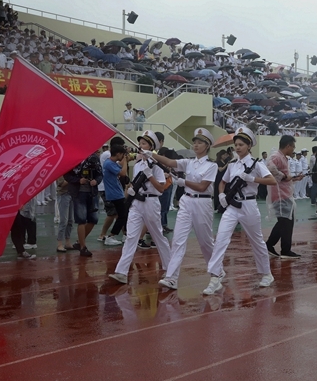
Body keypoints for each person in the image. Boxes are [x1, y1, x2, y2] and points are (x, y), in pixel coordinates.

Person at [203, 126, 276, 294]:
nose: (237, 147)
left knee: (256, 240)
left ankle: (266, 273)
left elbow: (272, 181)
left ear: (249, 146)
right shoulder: (233, 165)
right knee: (221, 238)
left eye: (241, 144)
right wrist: (221, 195)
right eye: (236, 144)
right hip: (232, 206)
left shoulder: (257, 164)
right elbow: (222, 182)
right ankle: (215, 277)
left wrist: (252, 178)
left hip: (249, 205)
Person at [155, 128, 218, 291]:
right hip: (186, 202)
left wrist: (184, 182)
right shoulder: (188, 162)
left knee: (205, 243)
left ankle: (217, 271)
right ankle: (172, 277)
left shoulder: (212, 166)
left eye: (200, 142)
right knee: (178, 240)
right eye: (195, 142)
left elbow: (203, 187)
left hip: (202, 204)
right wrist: (152, 154)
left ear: (207, 145)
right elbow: (169, 162)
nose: (196, 145)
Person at [109, 131, 171, 284]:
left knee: (158, 236)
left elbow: (161, 188)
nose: (141, 147)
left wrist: (150, 175)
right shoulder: (137, 165)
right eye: (140, 144)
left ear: (151, 148)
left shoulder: (155, 167)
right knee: (131, 236)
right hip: (137, 203)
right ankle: (121, 272)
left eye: (144, 144)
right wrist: (130, 189)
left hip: (151, 202)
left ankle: (170, 268)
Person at [265, 135, 304, 259]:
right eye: (293, 146)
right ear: (288, 146)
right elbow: (270, 168)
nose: (294, 149)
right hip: (280, 195)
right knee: (285, 222)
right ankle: (282, 249)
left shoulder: (283, 158)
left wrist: (294, 178)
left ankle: (274, 246)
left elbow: (285, 178)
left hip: (285, 193)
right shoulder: (276, 157)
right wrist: (283, 176)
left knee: (285, 222)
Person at [65, 151, 103, 257]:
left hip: (92, 192)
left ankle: (79, 242)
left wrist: (96, 181)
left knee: (93, 219)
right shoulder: (73, 157)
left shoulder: (94, 158)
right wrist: (78, 180)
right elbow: (66, 175)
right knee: (81, 219)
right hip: (78, 193)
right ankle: (83, 247)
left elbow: (100, 174)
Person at [101, 145, 129, 246]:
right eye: (122, 154)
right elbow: (123, 173)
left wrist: (124, 160)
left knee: (122, 215)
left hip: (117, 192)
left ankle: (125, 234)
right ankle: (111, 235)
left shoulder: (111, 163)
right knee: (122, 215)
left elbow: (120, 168)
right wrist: (125, 160)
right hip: (115, 193)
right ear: (118, 154)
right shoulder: (108, 163)